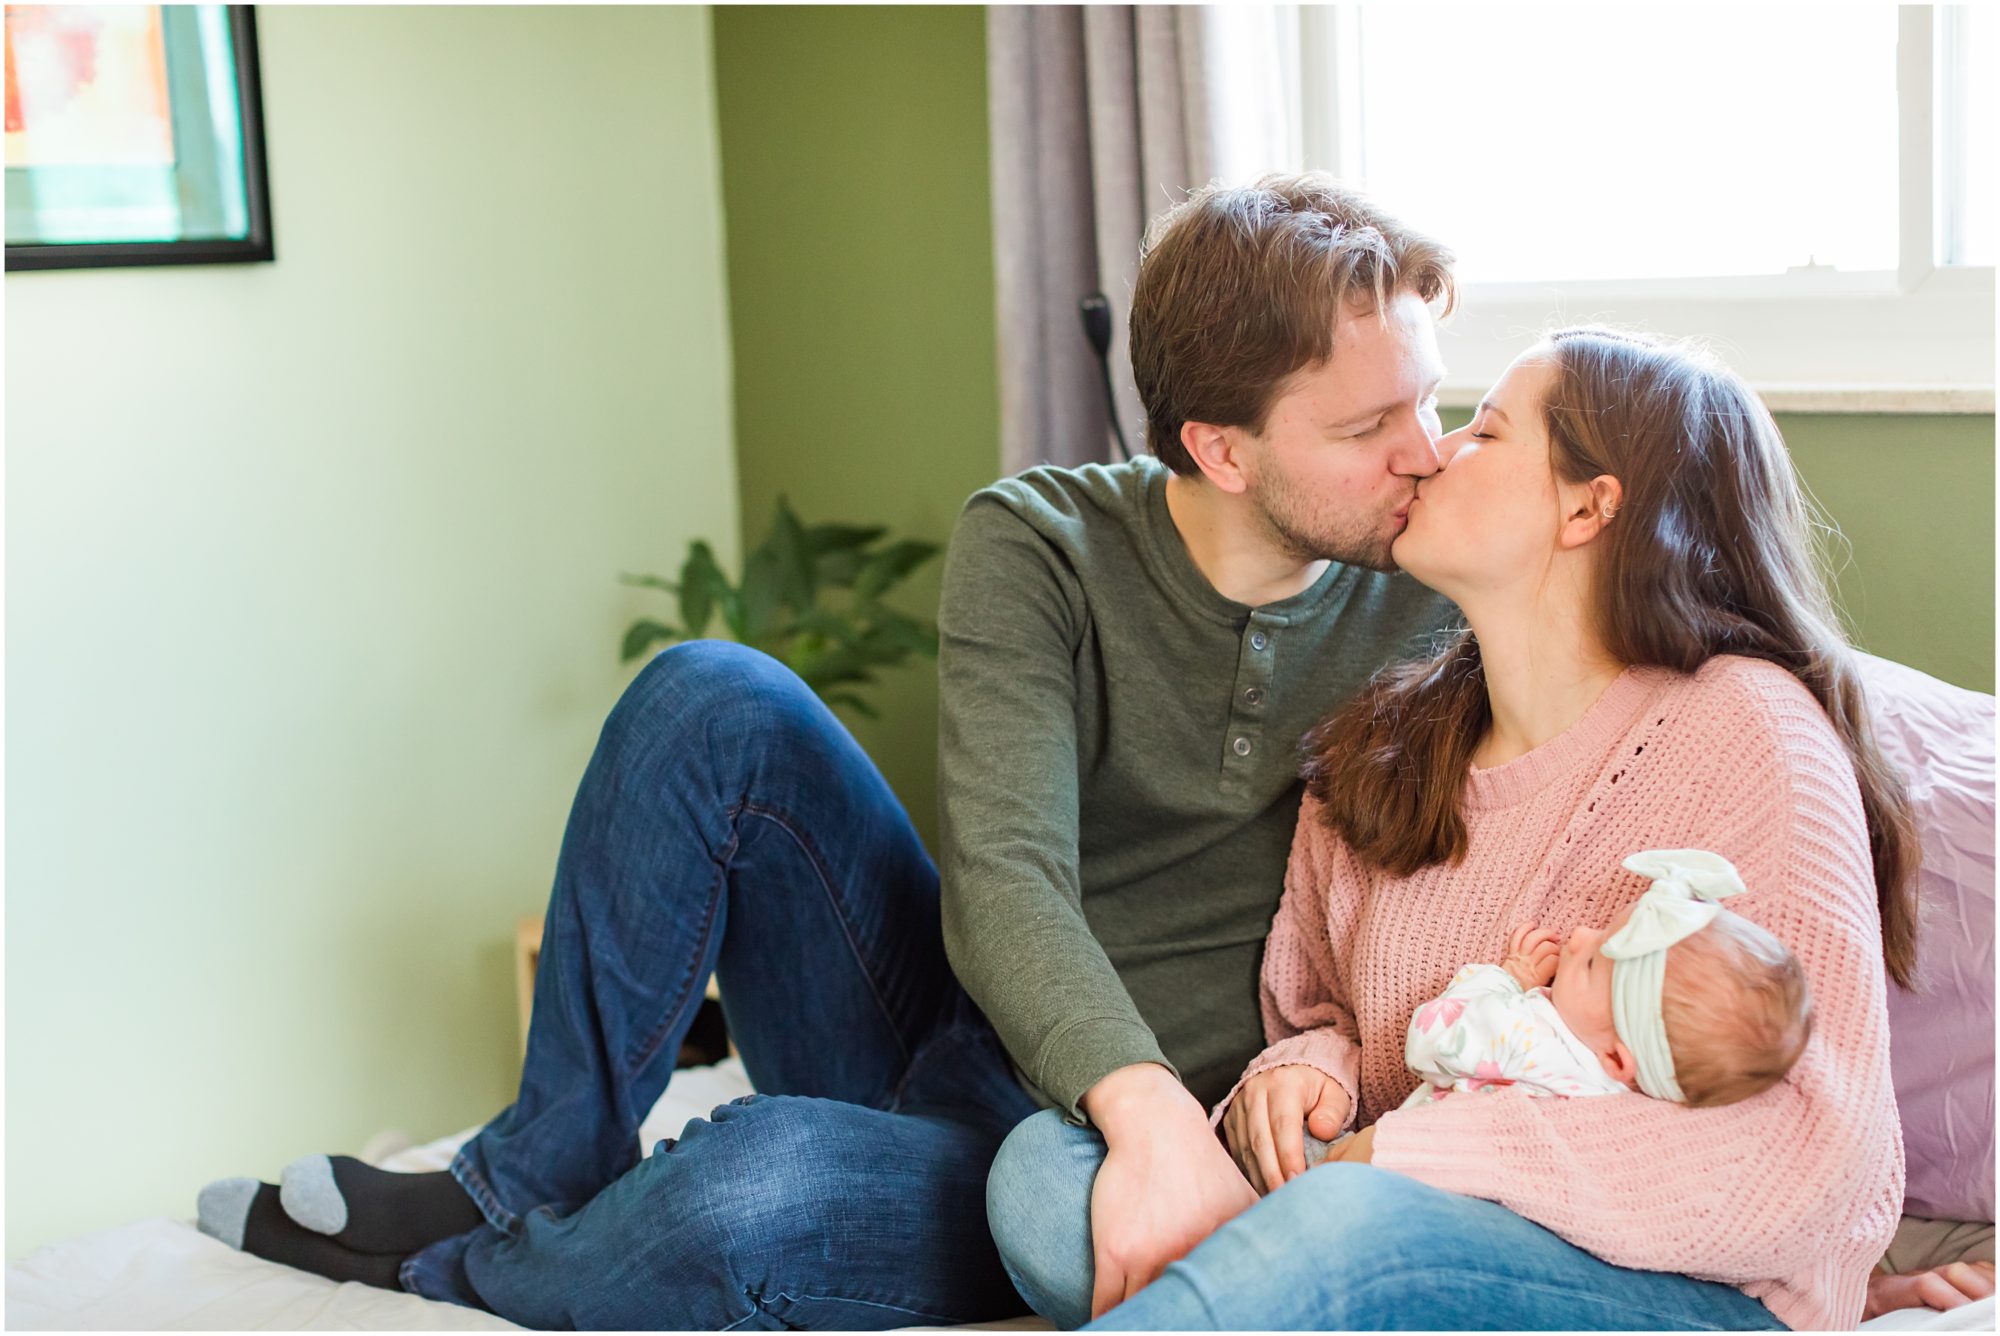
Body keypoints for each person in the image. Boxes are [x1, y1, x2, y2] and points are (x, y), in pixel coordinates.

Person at [192, 173, 1463, 1328]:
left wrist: (1177, 1140)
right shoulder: (1042, 544)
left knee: (745, 1192)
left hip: (1065, 1164)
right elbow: (1007, 875)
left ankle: (472, 1261)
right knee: (711, 697)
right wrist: (1141, 1110)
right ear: (1218, 449)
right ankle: (534, 1166)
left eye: (1427, 398)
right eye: (1366, 428)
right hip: (973, 1042)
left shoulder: (1446, 588)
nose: (1424, 454)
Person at [996, 327, 1917, 1331]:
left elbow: (1811, 1155)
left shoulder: (1744, 729)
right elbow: (1331, 1024)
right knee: (1044, 1180)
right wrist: (1306, 1074)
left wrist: (1405, 1161)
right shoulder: (1379, 750)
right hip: (1396, 1216)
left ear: (1583, 505)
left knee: (1347, 1225)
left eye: (1484, 429)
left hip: (1682, 1293)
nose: (1432, 452)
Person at [1388, 850, 1811, 1113]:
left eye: (1591, 963)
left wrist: (1509, 977)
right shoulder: (1610, 1098)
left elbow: (1429, 1041)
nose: (1580, 937)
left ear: (1616, 1058)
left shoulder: (1527, 1038)